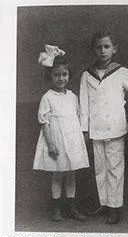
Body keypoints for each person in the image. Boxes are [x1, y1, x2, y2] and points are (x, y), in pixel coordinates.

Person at [79, 31, 128, 224]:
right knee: (100, 168)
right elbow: (84, 104)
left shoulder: (121, 72)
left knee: (115, 168)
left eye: (106, 47)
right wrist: (85, 129)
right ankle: (105, 203)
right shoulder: (87, 75)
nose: (102, 51)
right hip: (96, 129)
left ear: (114, 49)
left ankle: (116, 207)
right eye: (98, 47)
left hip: (116, 128)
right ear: (93, 50)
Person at [33, 45, 89, 222]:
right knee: (57, 174)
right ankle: (56, 207)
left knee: (71, 174)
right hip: (56, 140)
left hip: (71, 141)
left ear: (69, 75)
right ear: (49, 76)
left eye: (64, 74)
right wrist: (50, 144)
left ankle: (71, 205)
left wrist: (80, 142)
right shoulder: (47, 97)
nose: (61, 78)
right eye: (56, 75)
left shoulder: (72, 96)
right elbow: (44, 122)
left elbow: (78, 119)